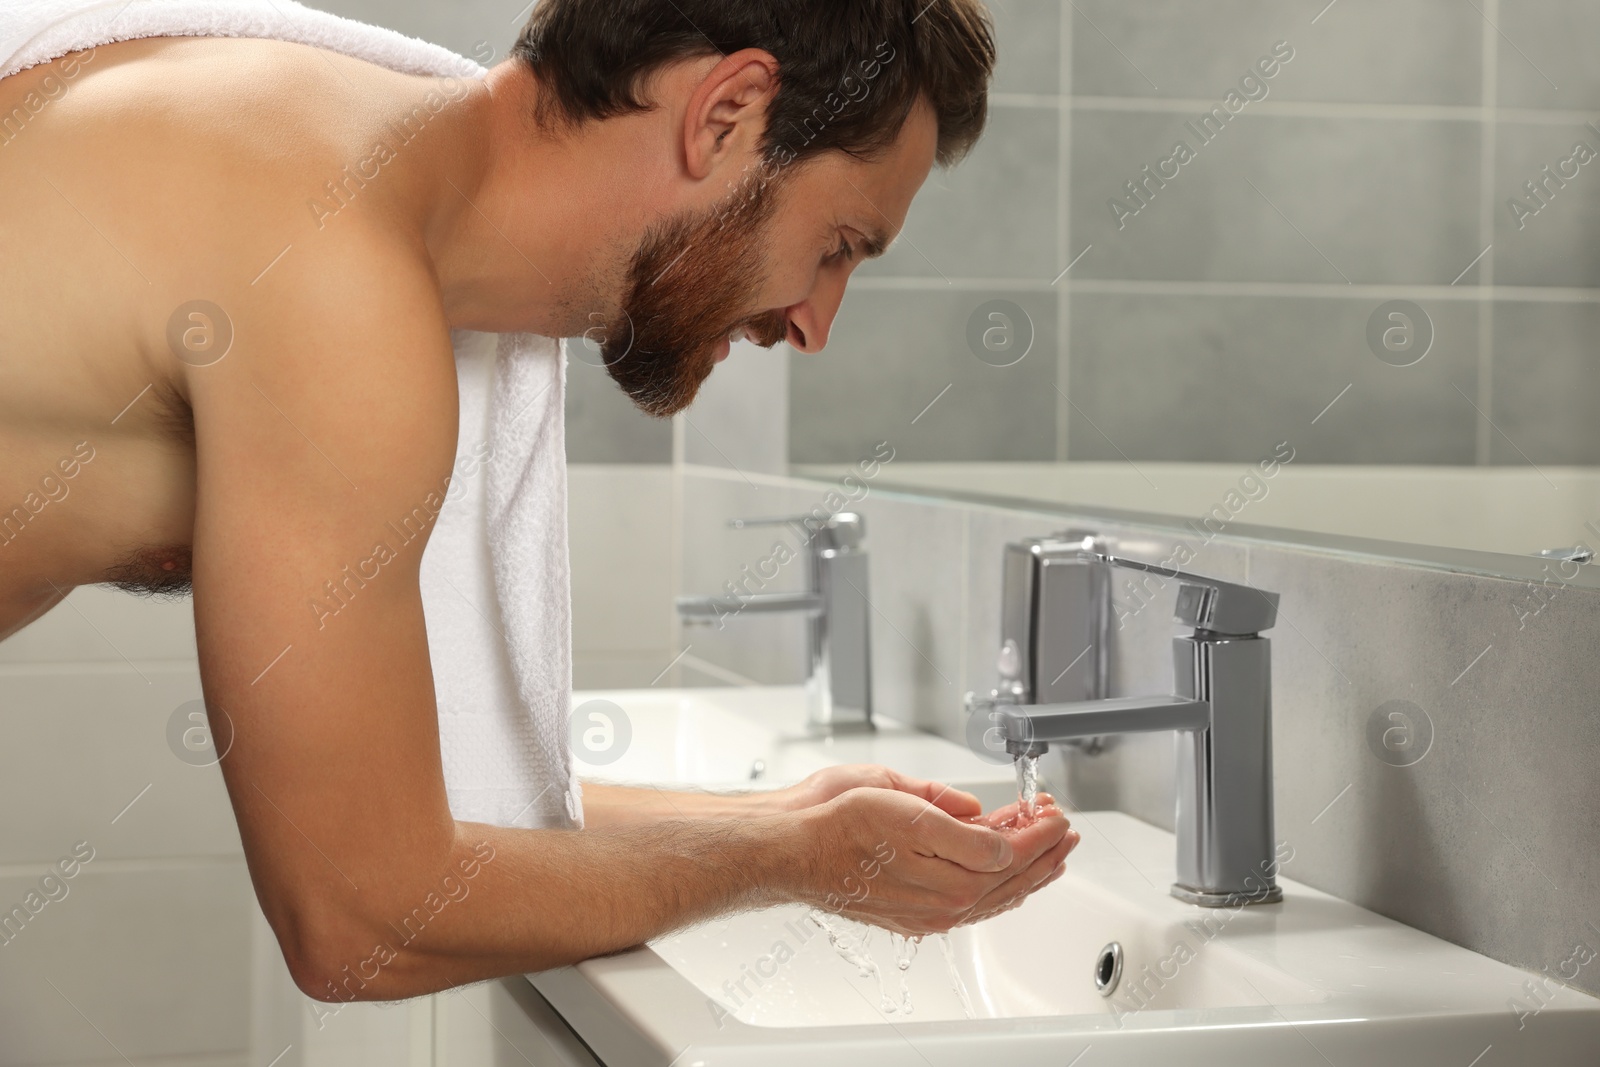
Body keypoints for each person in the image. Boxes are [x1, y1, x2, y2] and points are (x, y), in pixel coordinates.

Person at [0, 0, 1077, 1002]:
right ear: (729, 113)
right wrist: (794, 860)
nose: (814, 323)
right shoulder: (336, 267)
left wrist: (796, 815)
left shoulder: (330, 153)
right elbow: (360, 911)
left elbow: (407, 802)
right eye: (838, 246)